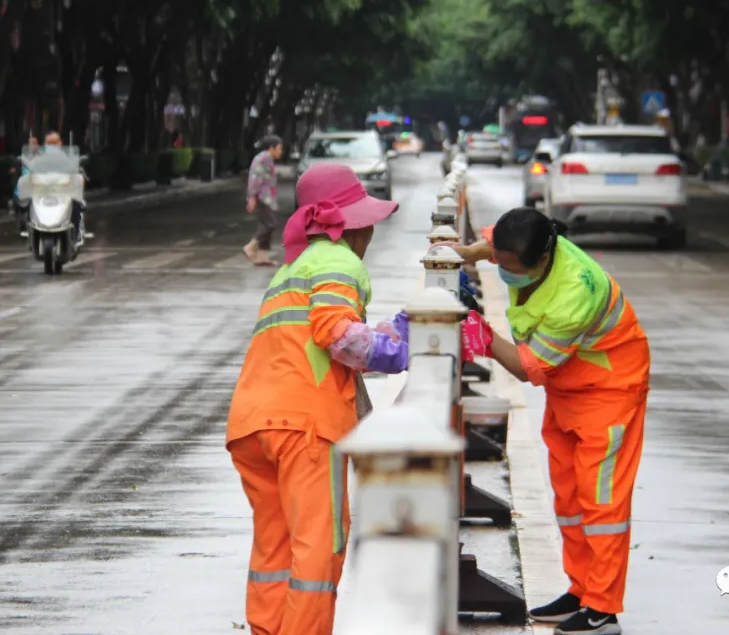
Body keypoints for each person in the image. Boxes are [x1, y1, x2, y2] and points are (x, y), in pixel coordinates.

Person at [226, 163, 408, 635]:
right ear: (350, 225)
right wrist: (402, 351)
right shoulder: (339, 260)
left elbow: (313, 336)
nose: (370, 230)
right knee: (318, 548)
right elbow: (337, 336)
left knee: (274, 547)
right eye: (366, 220)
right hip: (305, 427)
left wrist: (390, 330)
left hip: (252, 424)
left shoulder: (294, 266)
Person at [449, 208, 649, 635]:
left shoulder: (575, 292)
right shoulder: (528, 240)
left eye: (509, 266)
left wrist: (479, 332)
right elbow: (493, 241)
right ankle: (580, 591)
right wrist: (468, 252)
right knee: (570, 497)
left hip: (610, 391)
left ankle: (602, 610)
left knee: (602, 503)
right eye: (498, 261)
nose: (502, 271)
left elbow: (528, 367)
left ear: (540, 261)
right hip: (570, 390)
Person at [244, 135, 283, 266]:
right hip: (262, 197)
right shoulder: (264, 158)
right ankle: (251, 246)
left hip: (267, 198)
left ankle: (262, 256)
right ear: (271, 148)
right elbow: (254, 178)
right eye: (279, 148)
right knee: (271, 224)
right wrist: (252, 197)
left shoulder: (266, 158)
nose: (280, 151)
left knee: (265, 225)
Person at [42, 131, 87, 245]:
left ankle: (77, 232)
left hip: (63, 192)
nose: (51, 146)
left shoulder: (68, 159)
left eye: (54, 143)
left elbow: (76, 174)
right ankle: (30, 229)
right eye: (49, 143)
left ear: (60, 144)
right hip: (45, 193)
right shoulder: (40, 159)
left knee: (76, 204)